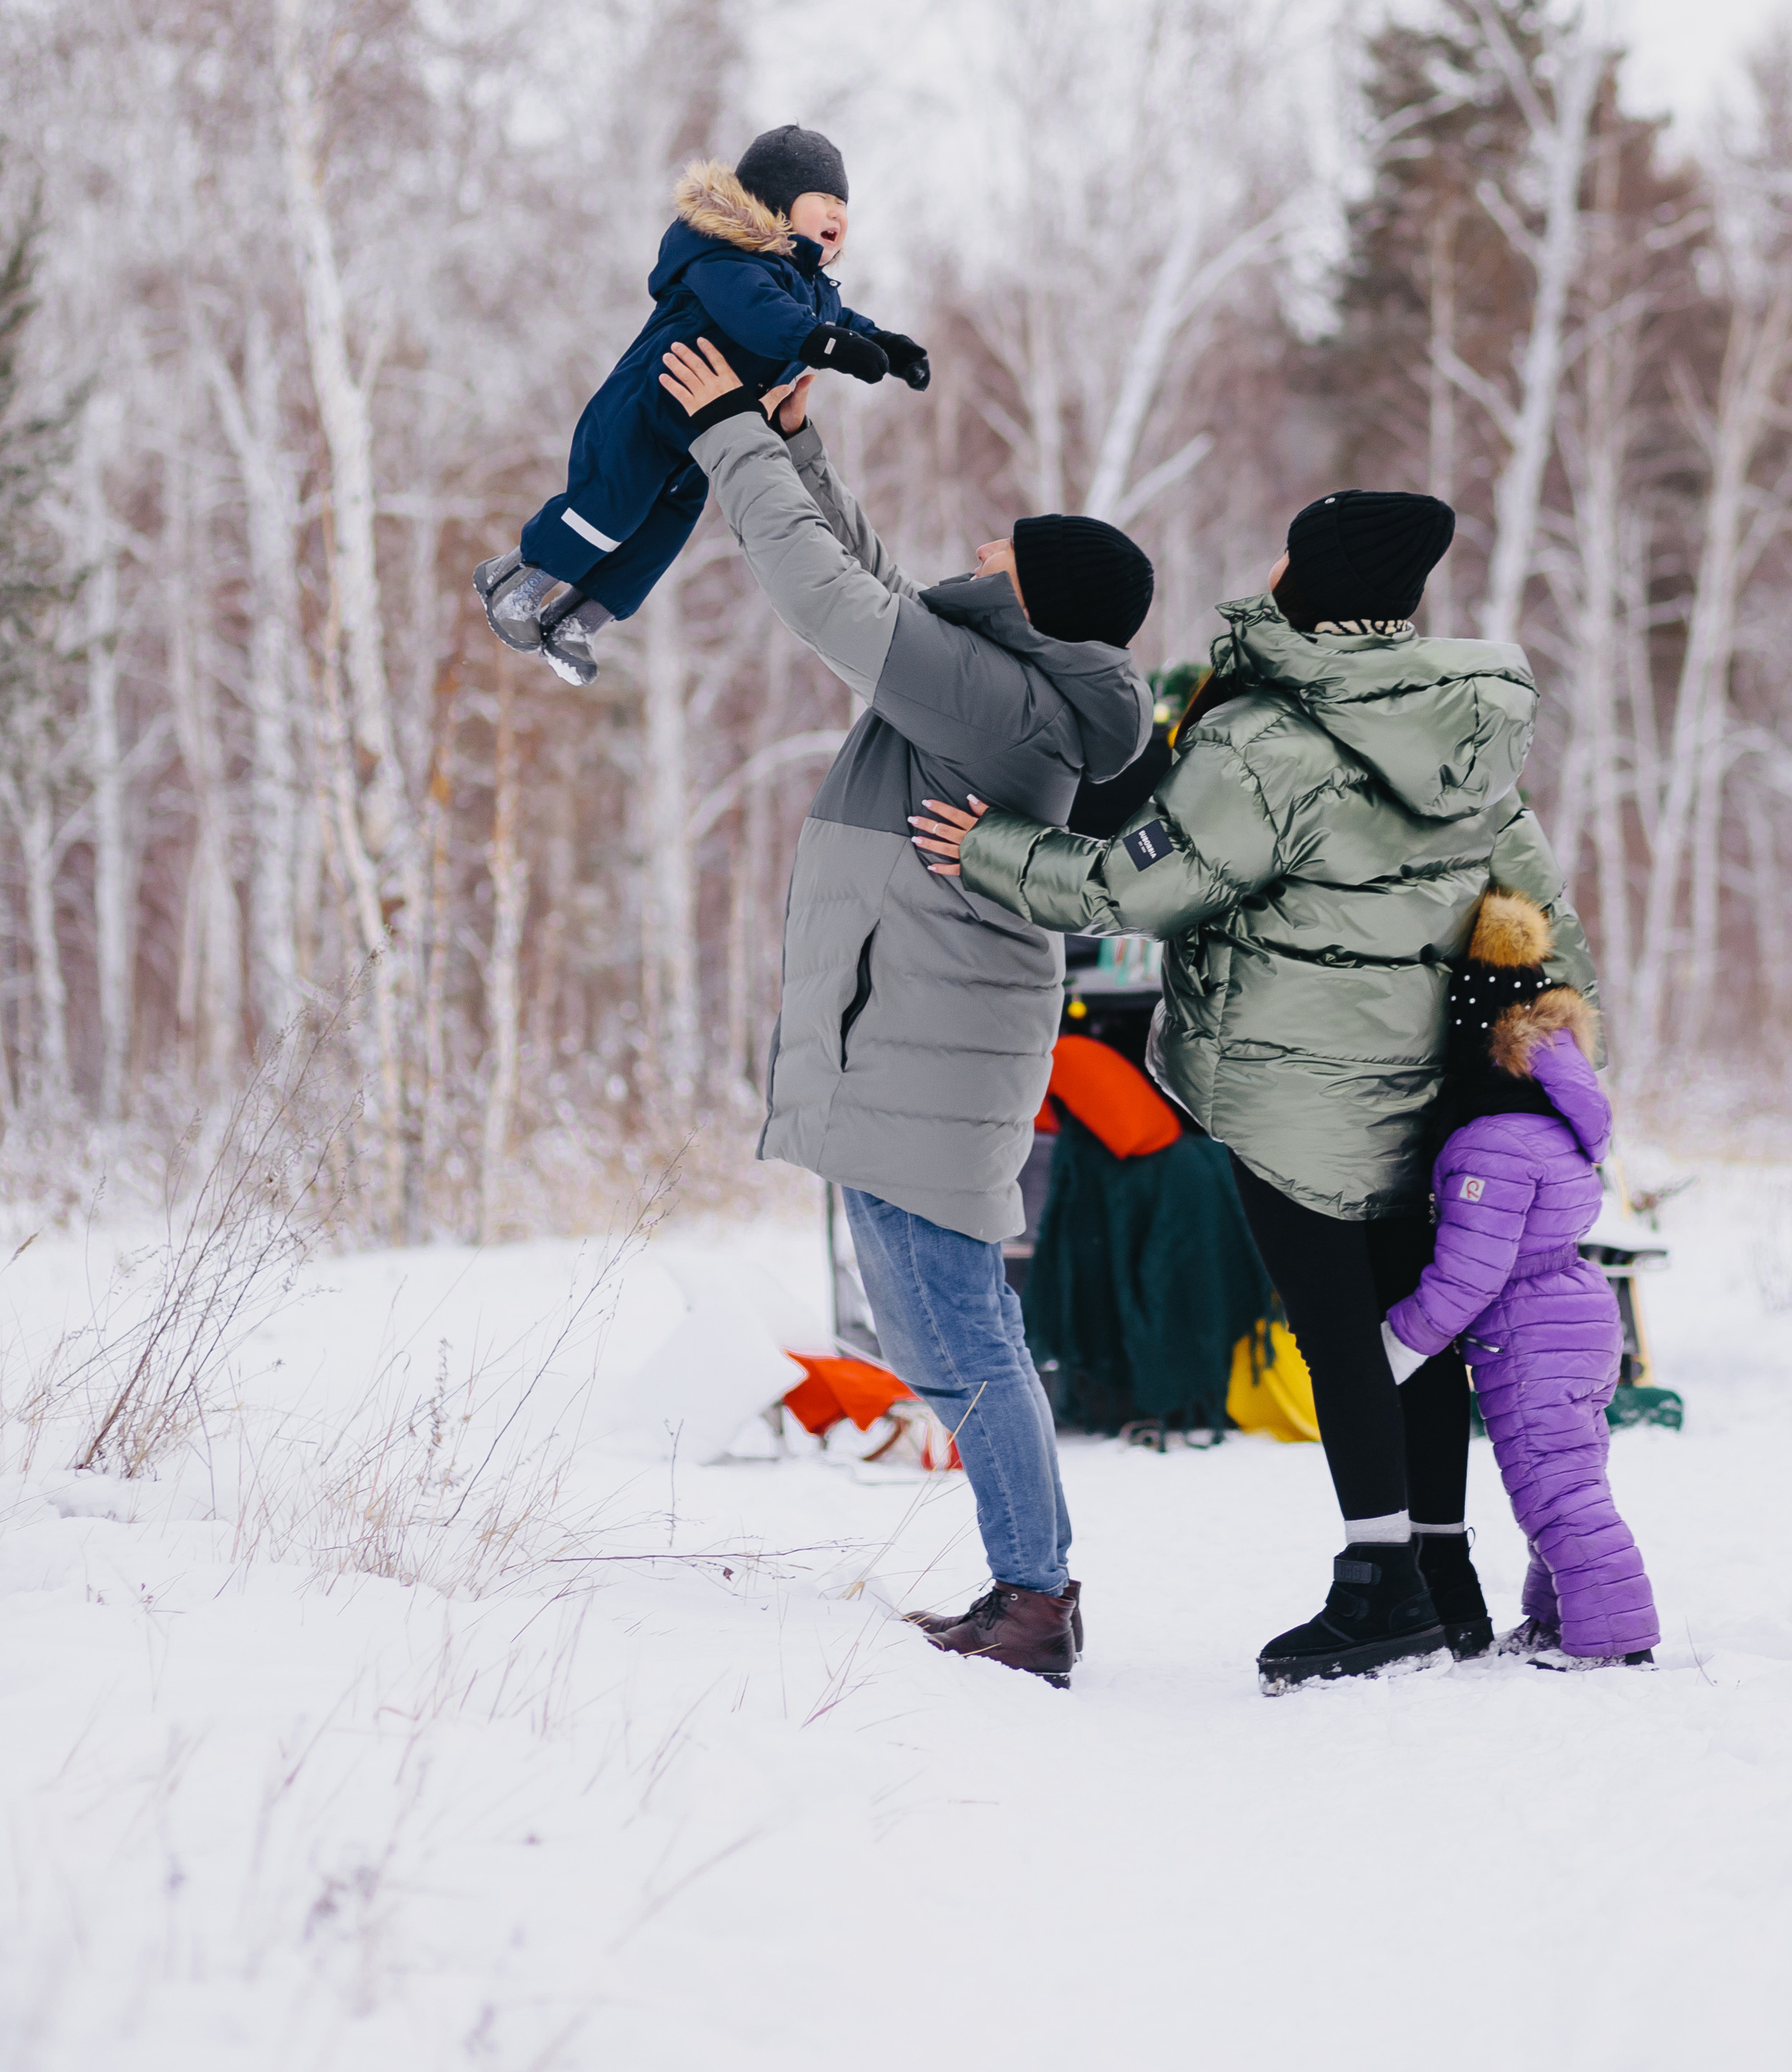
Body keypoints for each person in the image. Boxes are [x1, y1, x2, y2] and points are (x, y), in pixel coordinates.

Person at [913, 486, 1598, 1692]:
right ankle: (1444, 1573)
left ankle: (1374, 1586)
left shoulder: (1268, 741)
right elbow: (1538, 904)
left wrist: (987, 847)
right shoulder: (1468, 724)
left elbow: (1137, 890)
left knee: (1339, 1332)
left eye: (1288, 549)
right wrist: (1543, 1047)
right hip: (1425, 1079)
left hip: (1291, 1084)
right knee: (1413, 1327)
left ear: (1314, 582)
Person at [657, 329, 1155, 1687]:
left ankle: (1036, 1601)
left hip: (925, 1045)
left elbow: (828, 600)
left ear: (1041, 600)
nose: (986, 553)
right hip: (924, 1035)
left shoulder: (1005, 702)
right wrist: (798, 443)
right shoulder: (1014, 679)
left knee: (956, 1340)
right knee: (956, 1332)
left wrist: (732, 443)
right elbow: (878, 582)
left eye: (1007, 552)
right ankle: (1034, 1588)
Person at [474, 128, 931, 687]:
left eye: (844, 206)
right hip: (644, 411)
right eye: (825, 200)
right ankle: (515, 581)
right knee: (608, 511)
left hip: (700, 437)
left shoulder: (815, 291)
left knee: (662, 535)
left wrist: (893, 348)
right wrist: (826, 345)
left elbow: (843, 324)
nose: (839, 214)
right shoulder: (720, 255)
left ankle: (578, 621)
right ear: (779, 199)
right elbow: (758, 313)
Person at [1381, 888, 1658, 1670]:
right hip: (1575, 1317)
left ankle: (1612, 1640)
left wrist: (1399, 1341)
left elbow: (1468, 1273)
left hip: (1529, 1335)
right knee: (1559, 1481)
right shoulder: (1552, 1124)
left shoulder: (1490, 1143)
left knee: (1557, 1492)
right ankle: (1560, 1619)